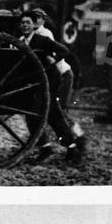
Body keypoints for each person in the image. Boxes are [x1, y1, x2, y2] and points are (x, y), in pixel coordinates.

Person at [16, 10, 87, 165]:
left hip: (50, 82)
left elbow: (64, 50)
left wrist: (53, 58)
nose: (25, 25)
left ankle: (55, 148)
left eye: (28, 22)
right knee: (51, 116)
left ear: (33, 25)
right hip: (36, 84)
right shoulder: (21, 41)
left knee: (41, 114)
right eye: (22, 23)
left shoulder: (42, 39)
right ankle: (68, 148)